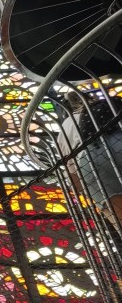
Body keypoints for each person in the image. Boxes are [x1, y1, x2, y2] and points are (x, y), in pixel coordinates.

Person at [57, 90, 122, 225]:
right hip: (118, 139)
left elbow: (71, 170)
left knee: (114, 209)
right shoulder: (108, 104)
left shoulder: (67, 124)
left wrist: (83, 190)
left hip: (92, 159)